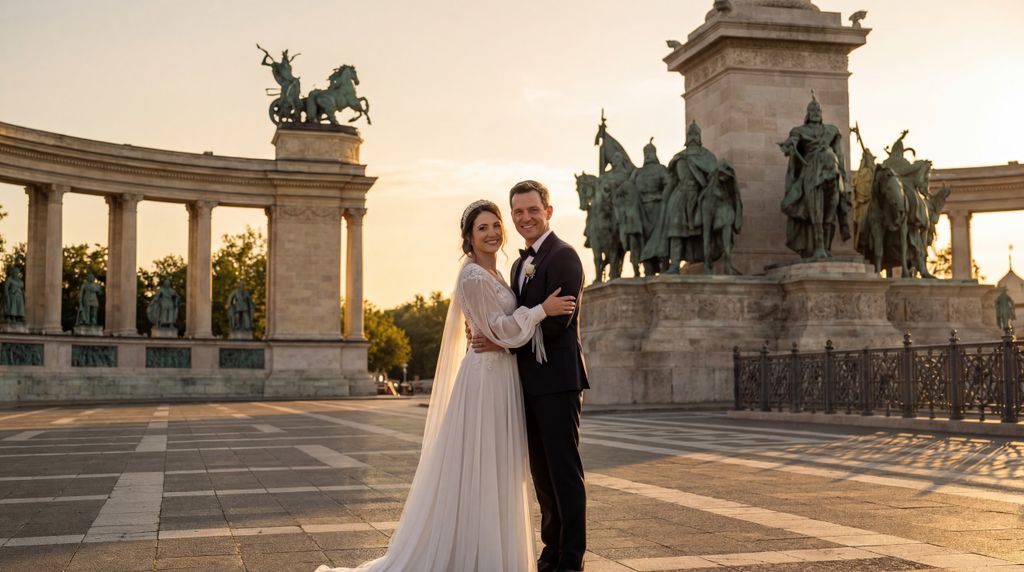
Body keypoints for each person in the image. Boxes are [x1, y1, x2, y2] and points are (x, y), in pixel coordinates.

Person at [315, 199, 576, 572]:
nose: (491, 233)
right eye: (481, 228)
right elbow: (499, 330)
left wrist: (502, 334)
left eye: (495, 226)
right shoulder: (471, 275)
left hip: (503, 377)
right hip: (485, 379)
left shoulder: (504, 273)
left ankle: (494, 553)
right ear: (468, 238)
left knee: (498, 468)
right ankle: (479, 556)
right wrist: (539, 311)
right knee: (483, 465)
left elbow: (497, 330)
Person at [473, 180, 590, 572]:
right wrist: (501, 334)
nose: (525, 218)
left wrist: (503, 342)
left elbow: (558, 325)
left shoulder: (565, 258)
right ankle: (551, 550)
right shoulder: (519, 264)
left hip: (558, 381)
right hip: (527, 384)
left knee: (564, 474)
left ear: (549, 211)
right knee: (541, 476)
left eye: (532, 210)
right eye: (518, 212)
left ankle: (571, 559)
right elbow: (520, 319)